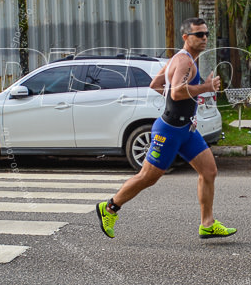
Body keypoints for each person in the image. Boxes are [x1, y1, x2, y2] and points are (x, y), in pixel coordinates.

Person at [95, 18, 236, 240]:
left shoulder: (181, 59)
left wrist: (186, 102)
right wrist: (205, 88)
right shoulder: (184, 62)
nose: (204, 38)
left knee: (209, 171)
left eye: (206, 34)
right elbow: (176, 92)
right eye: (199, 35)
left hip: (186, 129)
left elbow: (156, 85)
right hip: (169, 131)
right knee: (148, 177)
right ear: (186, 37)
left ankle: (207, 224)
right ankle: (110, 207)